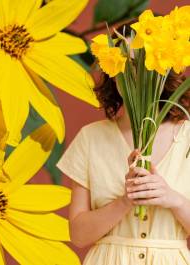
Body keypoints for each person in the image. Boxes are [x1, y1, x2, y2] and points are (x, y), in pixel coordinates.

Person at [57, 58, 190, 263]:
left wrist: (173, 199)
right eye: (125, 65)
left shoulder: (187, 136)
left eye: (142, 64)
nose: (134, 74)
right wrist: (125, 202)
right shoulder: (90, 137)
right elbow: (78, 236)